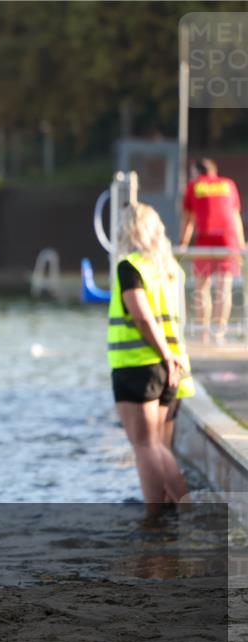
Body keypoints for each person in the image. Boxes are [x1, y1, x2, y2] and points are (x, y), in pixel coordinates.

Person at [108, 202, 195, 516]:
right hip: (170, 366)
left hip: (139, 365)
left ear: (130, 230)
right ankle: (184, 510)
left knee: (145, 446)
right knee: (158, 445)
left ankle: (155, 519)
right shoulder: (169, 268)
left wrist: (164, 355)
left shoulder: (131, 267)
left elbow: (142, 317)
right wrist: (172, 357)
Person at [178, 158, 246, 340]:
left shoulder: (194, 186)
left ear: (196, 172)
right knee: (224, 288)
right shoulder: (228, 184)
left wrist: (182, 244)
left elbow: (188, 220)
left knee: (202, 287)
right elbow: (235, 217)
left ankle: (203, 333)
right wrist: (240, 245)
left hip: (205, 240)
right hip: (228, 240)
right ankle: (220, 332)